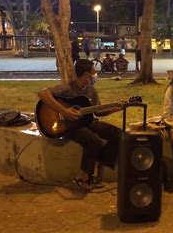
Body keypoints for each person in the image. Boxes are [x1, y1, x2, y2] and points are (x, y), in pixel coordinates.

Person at [37, 59, 122, 191]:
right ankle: (82, 176)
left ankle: (102, 160)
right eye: (94, 72)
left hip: (88, 122)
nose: (96, 74)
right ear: (86, 74)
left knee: (119, 134)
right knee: (94, 141)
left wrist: (115, 108)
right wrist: (64, 111)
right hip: (70, 126)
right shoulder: (67, 88)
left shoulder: (91, 91)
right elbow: (42, 93)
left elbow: (98, 112)